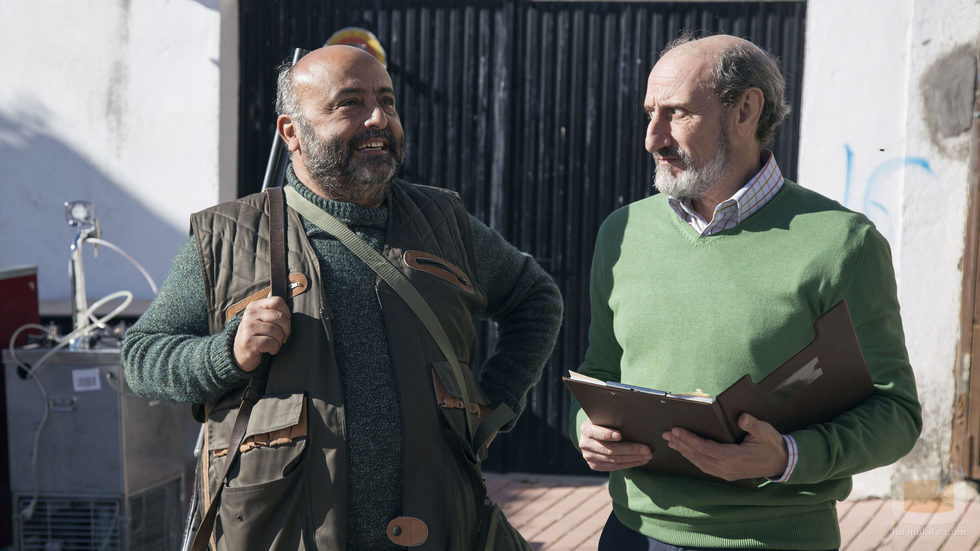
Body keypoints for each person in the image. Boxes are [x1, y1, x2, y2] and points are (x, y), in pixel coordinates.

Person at [123, 45, 563, 550]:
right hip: (284, 532)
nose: (378, 119)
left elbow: (535, 298)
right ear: (292, 132)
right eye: (349, 103)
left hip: (439, 527)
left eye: (388, 101)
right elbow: (141, 357)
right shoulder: (227, 237)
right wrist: (227, 352)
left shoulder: (446, 223)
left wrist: (495, 405)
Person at [570, 34, 921, 550]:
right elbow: (602, 371)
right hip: (634, 535)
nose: (652, 138)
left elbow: (896, 414)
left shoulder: (844, 243)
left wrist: (787, 456)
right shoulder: (622, 232)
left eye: (677, 113)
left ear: (746, 111)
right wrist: (589, 429)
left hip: (779, 540)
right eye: (650, 113)